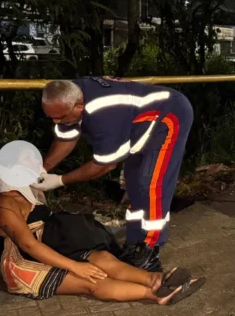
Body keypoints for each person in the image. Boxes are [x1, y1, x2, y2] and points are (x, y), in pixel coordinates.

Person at [32, 78, 193, 273]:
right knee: (134, 187)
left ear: (79, 105)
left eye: (61, 117)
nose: (57, 122)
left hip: (169, 116)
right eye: (52, 118)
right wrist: (44, 168)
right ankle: (134, 245)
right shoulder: (67, 96)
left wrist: (60, 180)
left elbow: (105, 165)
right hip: (138, 124)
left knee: (150, 186)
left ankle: (149, 251)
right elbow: (66, 137)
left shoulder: (104, 113)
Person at [0, 181, 203, 304]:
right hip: (26, 262)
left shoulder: (28, 190)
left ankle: (157, 279)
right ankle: (157, 294)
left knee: (102, 257)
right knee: (90, 281)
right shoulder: (3, 204)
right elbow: (29, 245)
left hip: (52, 245)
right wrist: (75, 266)